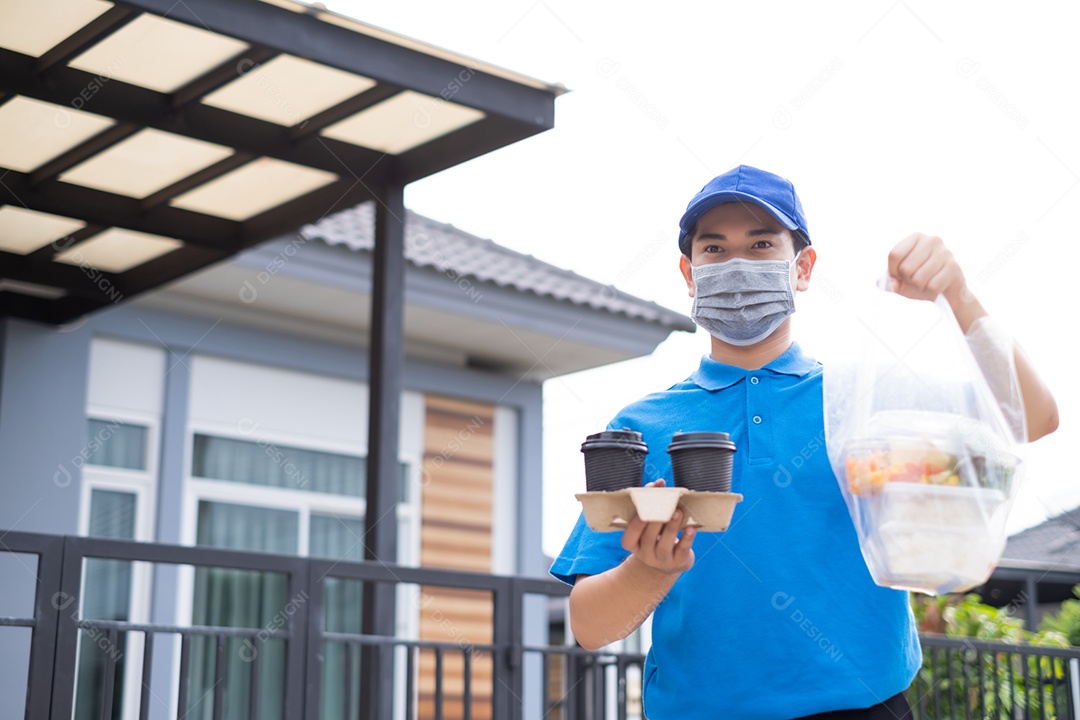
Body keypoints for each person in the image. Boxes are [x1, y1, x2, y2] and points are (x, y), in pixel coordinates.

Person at [549, 165, 1058, 719]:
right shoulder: (641, 427)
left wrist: (959, 295)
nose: (737, 264)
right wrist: (650, 569)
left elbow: (1030, 417)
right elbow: (590, 626)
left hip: (866, 707)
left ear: (804, 267)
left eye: (762, 244)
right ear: (689, 273)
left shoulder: (862, 401)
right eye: (714, 249)